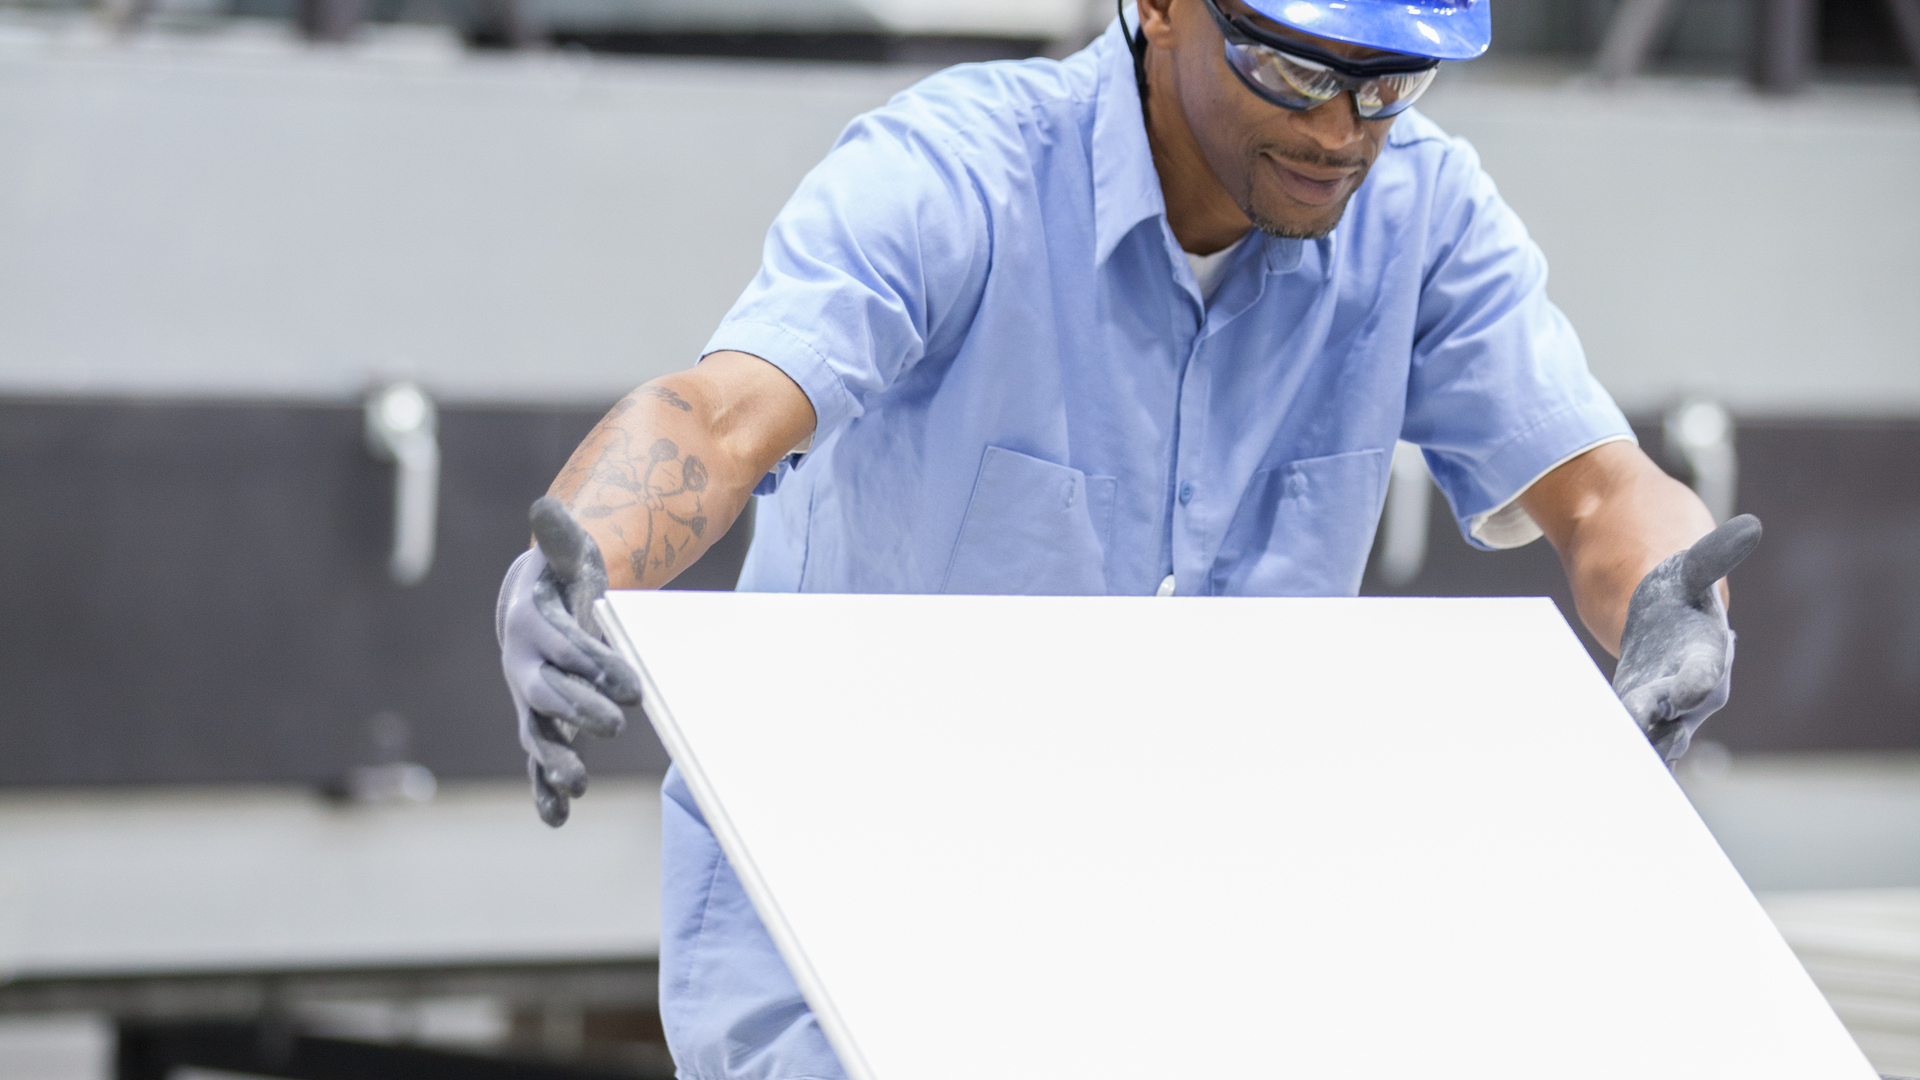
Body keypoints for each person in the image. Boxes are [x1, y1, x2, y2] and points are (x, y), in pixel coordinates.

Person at [496, 0, 1762, 1075]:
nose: (1340, 132)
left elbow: (1601, 494)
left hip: (1179, 923)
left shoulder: (1420, 212)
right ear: (1158, 4)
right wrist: (575, 567)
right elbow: (719, 419)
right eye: (1296, 67)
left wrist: (1668, 603)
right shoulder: (952, 173)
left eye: (1388, 85)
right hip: (856, 913)